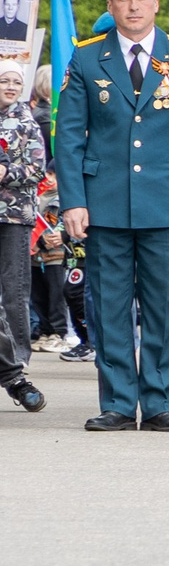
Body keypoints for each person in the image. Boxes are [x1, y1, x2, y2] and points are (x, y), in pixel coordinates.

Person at [56, 0, 169, 431]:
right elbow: (68, 136)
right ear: (110, 5)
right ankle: (119, 404)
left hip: (167, 204)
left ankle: (162, 402)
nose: (132, 5)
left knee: (165, 304)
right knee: (108, 308)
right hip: (103, 203)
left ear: (157, 3)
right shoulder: (87, 59)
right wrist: (73, 203)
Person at [0, 60, 47, 411]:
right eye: (5, 80)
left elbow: (37, 170)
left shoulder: (28, 121)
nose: (11, 86)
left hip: (15, 216)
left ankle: (17, 362)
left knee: (14, 289)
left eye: (17, 81)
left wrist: (6, 171)